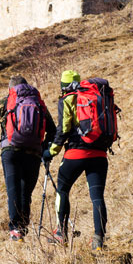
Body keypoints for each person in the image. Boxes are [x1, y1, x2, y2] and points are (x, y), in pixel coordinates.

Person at [0, 76, 55, 242]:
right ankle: (23, 227)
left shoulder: (6, 101)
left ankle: (15, 229)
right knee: (26, 191)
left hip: (10, 150)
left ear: (12, 89)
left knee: (13, 189)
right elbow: (53, 129)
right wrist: (45, 148)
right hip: (33, 152)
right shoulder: (39, 103)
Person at [44, 70, 110, 253]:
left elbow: (63, 129)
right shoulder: (94, 97)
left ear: (63, 86)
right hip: (99, 154)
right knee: (97, 197)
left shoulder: (67, 100)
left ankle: (61, 234)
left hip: (76, 154)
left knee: (62, 189)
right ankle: (98, 240)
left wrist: (51, 151)